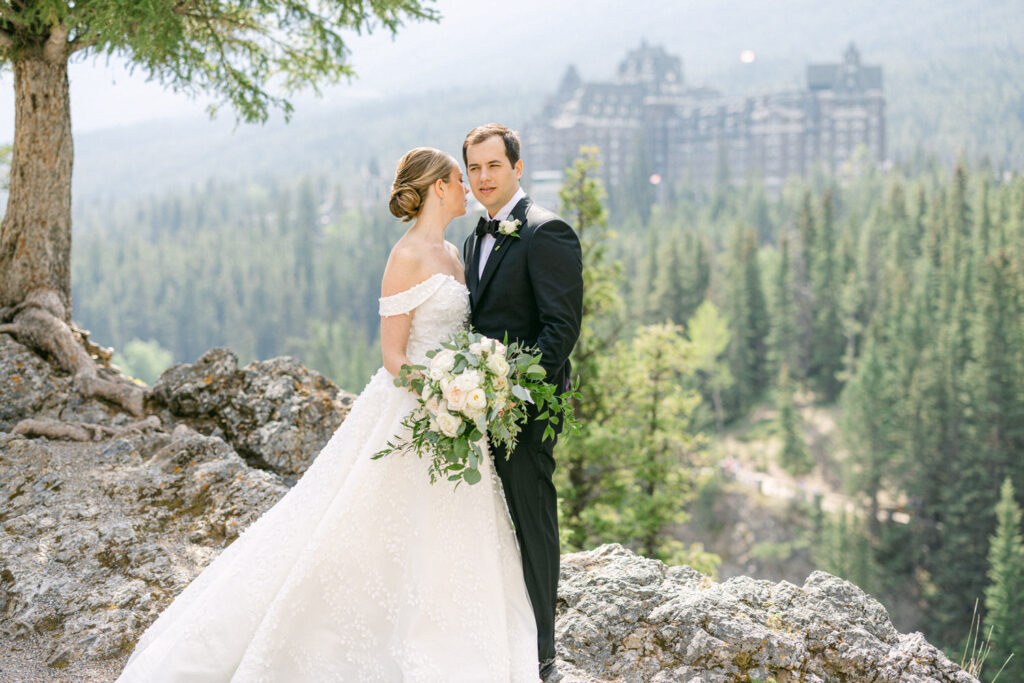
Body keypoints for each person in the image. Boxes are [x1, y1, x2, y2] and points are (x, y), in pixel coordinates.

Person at [116, 147, 539, 682]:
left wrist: (466, 388)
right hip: (415, 410)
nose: (469, 185)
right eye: (460, 177)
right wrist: (439, 391)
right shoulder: (406, 256)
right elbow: (392, 357)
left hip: (457, 417)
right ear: (437, 188)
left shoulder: (454, 255)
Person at [461, 124, 584, 681]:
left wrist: (513, 393)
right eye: (474, 168)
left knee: (531, 519)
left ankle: (544, 654)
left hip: (527, 413)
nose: (483, 177)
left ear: (517, 167)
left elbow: (560, 330)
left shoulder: (546, 231)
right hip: (475, 408)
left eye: (493, 165)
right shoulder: (471, 238)